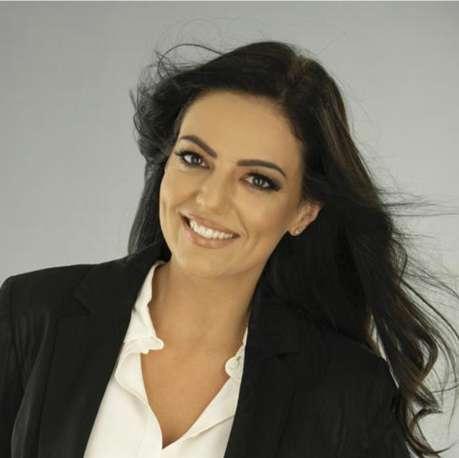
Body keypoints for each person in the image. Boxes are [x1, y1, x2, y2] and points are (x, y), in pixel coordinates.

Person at [1, 40, 458, 458]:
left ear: (303, 212)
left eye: (258, 180)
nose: (210, 200)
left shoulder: (347, 394)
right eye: (194, 158)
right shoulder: (32, 313)